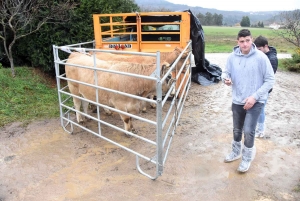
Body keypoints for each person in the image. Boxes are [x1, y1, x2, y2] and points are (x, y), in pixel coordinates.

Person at [222, 29, 275, 173]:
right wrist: (225, 79)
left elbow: (270, 80)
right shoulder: (232, 57)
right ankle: (235, 152)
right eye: (241, 41)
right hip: (238, 99)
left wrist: (255, 97)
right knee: (237, 130)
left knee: (249, 131)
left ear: (252, 40)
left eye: (247, 40)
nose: (245, 44)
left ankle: (246, 158)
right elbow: (226, 72)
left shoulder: (261, 58)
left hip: (255, 101)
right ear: (237, 42)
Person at [254, 36, 278, 138]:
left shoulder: (272, 59)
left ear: (265, 46)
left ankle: (260, 130)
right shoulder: (261, 55)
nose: (257, 52)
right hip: (256, 87)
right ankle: (254, 127)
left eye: (259, 49)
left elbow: (269, 78)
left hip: (264, 89)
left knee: (260, 109)